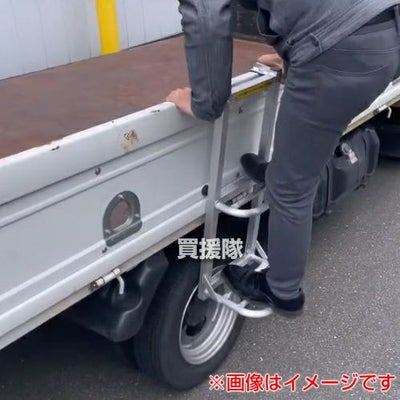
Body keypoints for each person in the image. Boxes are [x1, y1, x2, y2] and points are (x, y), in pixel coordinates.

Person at [167, 0, 400, 315]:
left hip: (342, 48)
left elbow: (206, 15)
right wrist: (292, 54)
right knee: (308, 145)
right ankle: (279, 170)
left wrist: (203, 103)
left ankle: (283, 291)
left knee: (290, 190)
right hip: (383, 29)